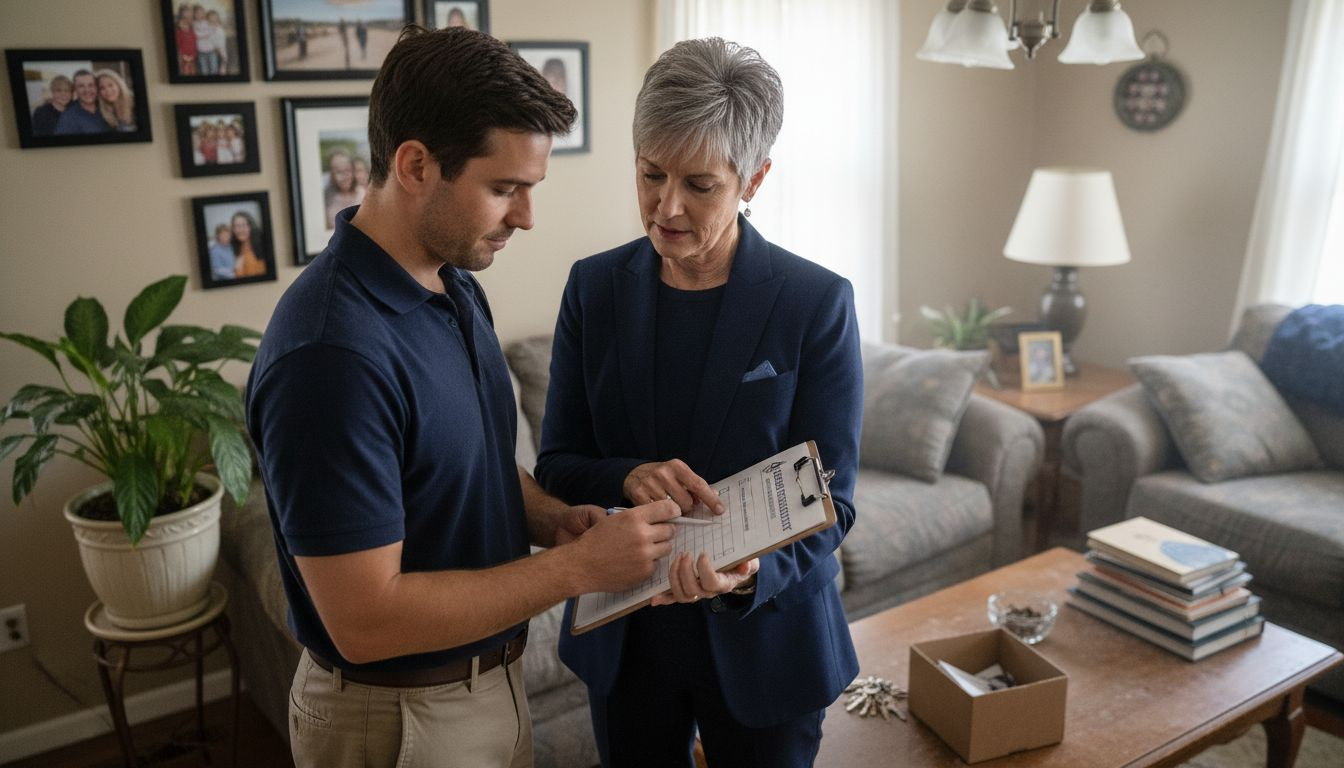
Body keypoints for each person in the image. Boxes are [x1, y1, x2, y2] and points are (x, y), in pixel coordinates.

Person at [245, 25, 681, 768]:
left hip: (485, 689)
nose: (526, 217)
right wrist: (577, 571)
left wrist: (554, 520)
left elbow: (467, 462)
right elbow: (366, 621)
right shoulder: (331, 357)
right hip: (401, 722)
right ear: (415, 164)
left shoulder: (453, 285)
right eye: (504, 188)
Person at [535, 37, 862, 768]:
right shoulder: (592, 290)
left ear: (755, 179)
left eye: (700, 184)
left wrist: (750, 575)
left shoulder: (816, 304)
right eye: (651, 174)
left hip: (769, 641)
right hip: (627, 640)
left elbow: (833, 503)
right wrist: (626, 476)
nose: (667, 206)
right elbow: (557, 462)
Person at [54, 70, 110, 135]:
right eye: (81, 86)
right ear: (75, 89)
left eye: (91, 85)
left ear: (96, 87)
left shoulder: (106, 106)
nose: (87, 90)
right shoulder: (68, 118)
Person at [323, 149, 364, 229]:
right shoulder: (327, 197)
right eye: (339, 172)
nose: (345, 176)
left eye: (348, 170)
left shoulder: (362, 194)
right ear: (331, 174)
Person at [230, 211, 267, 277]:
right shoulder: (236, 247)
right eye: (236, 226)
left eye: (244, 225)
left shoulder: (261, 247)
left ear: (251, 227)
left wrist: (238, 270)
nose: (240, 230)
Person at [192, 5, 217, 75]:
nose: (199, 15)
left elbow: (213, 30)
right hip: (201, 52)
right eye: (197, 13)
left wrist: (206, 34)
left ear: (203, 14)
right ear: (194, 14)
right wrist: (206, 34)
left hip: (211, 50)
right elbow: (196, 35)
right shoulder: (193, 24)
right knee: (204, 71)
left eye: (201, 13)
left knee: (214, 70)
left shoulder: (207, 22)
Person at [175, 5, 197, 75]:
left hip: (193, 56)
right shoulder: (178, 32)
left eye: (190, 17)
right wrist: (183, 56)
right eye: (185, 18)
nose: (187, 20)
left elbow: (194, 45)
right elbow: (178, 46)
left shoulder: (194, 30)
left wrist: (192, 56)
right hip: (183, 57)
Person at [205, 10, 229, 75]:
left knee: (222, 66)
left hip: (220, 49)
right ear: (207, 18)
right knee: (211, 68)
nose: (213, 19)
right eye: (211, 17)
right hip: (211, 50)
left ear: (218, 18)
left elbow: (222, 41)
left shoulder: (220, 29)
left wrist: (219, 49)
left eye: (215, 17)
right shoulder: (206, 28)